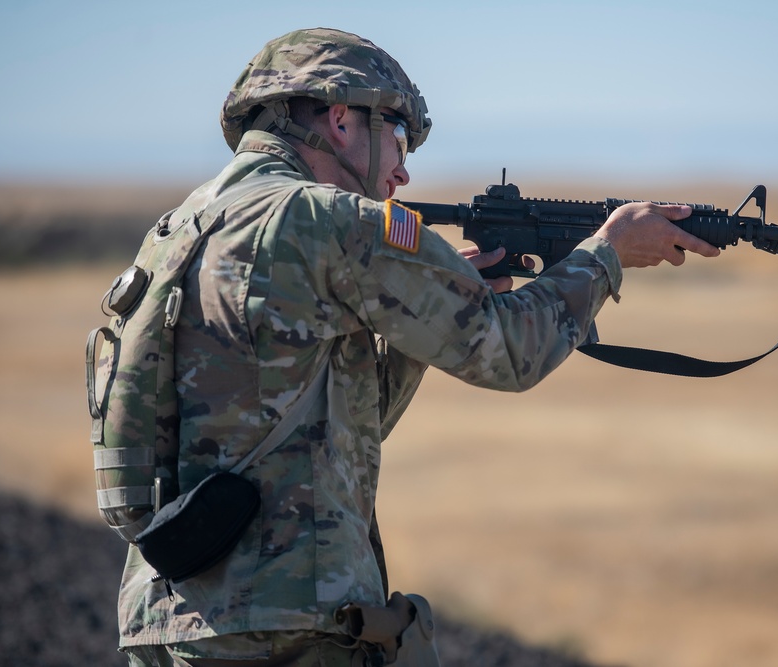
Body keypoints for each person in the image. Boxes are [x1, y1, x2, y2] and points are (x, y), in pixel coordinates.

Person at [118, 27, 720, 667]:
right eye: (399, 140)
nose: (403, 171)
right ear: (342, 119)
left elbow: (330, 424)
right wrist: (607, 256)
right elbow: (510, 354)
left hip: (169, 618)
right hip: (285, 626)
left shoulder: (181, 226)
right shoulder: (329, 220)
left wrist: (416, 322)